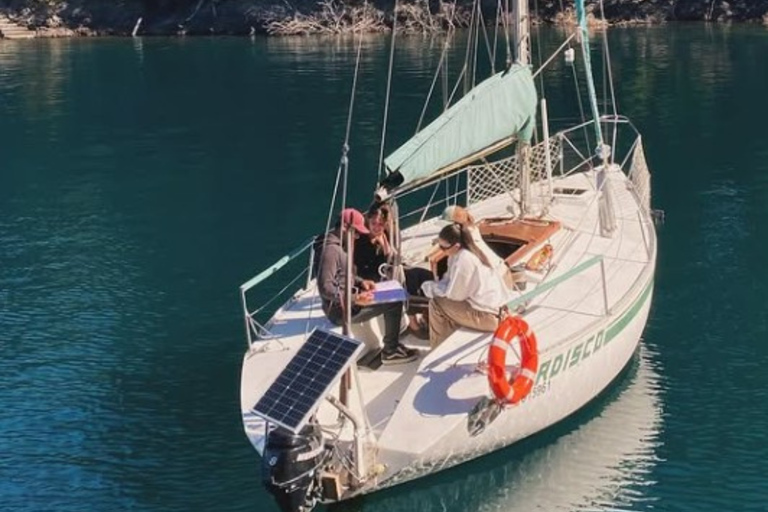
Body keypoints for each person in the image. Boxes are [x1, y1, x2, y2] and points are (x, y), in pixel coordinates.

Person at [317, 208, 418, 365]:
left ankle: (391, 346)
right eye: (356, 232)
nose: (358, 236)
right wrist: (356, 298)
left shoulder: (337, 245)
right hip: (341, 310)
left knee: (395, 293)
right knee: (394, 301)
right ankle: (390, 351)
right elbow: (326, 288)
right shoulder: (331, 251)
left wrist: (360, 282)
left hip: (350, 299)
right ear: (345, 228)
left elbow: (344, 275)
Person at [421, 223, 509, 348]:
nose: (441, 250)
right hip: (494, 310)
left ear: (456, 246)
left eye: (443, 247)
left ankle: (437, 348)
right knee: (443, 302)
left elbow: (455, 295)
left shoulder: (464, 259)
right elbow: (449, 280)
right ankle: (449, 339)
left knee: (436, 304)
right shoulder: (466, 252)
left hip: (490, 317)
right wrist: (435, 287)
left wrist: (430, 289)